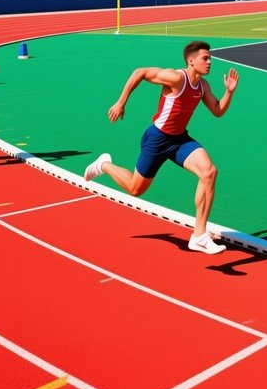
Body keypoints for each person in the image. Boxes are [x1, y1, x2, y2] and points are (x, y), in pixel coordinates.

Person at [84, 40, 239, 255]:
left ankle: (199, 236)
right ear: (191, 61)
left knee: (209, 172)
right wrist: (121, 102)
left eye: (210, 58)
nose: (209, 62)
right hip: (157, 139)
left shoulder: (203, 86)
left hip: (180, 140)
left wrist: (229, 92)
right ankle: (104, 165)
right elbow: (140, 72)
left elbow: (217, 110)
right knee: (135, 189)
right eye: (205, 58)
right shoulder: (176, 78)